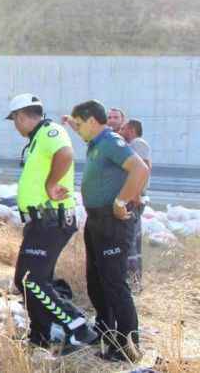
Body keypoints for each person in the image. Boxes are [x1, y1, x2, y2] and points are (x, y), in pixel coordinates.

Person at [6, 93, 98, 351]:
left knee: (30, 279)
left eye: (15, 120)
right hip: (42, 221)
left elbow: (66, 153)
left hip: (50, 220)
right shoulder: (38, 137)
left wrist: (50, 184)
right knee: (32, 280)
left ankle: (78, 328)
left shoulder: (50, 131)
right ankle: (40, 335)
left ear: (21, 116)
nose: (15, 126)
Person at [68, 100, 148, 362]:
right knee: (96, 281)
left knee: (114, 283)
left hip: (112, 221)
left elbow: (140, 169)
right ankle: (106, 331)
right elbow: (84, 131)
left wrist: (120, 201)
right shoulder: (96, 143)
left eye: (79, 125)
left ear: (92, 121)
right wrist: (71, 123)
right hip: (96, 221)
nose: (77, 130)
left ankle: (127, 346)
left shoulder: (110, 141)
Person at [120, 119, 151, 293]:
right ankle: (133, 282)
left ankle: (133, 282)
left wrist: (135, 193)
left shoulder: (138, 144)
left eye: (123, 128)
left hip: (133, 199)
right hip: (132, 197)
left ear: (131, 130)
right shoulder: (133, 144)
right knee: (131, 240)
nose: (121, 131)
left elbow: (143, 169)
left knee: (129, 240)